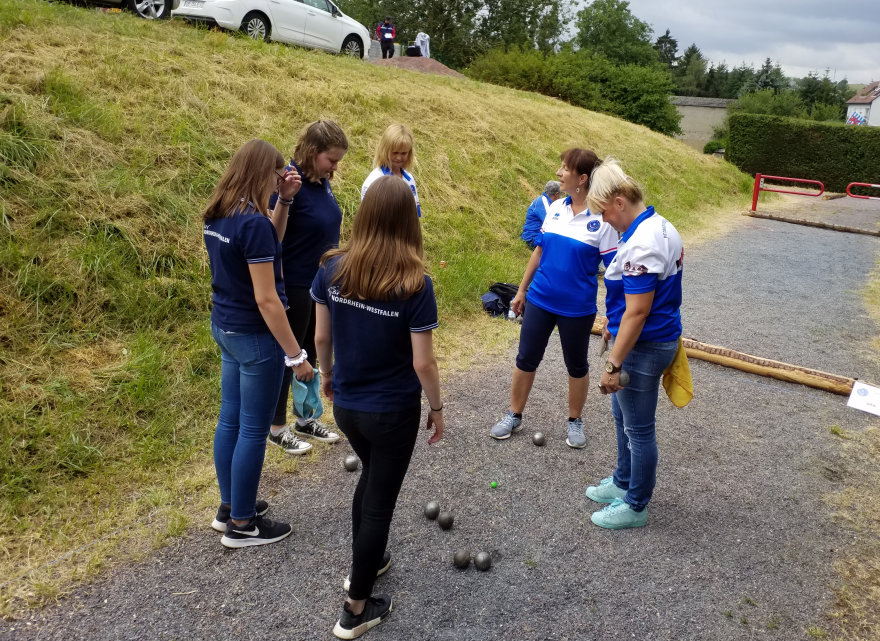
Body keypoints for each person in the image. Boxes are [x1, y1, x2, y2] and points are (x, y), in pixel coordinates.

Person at [312, 176, 444, 639]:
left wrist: (326, 375)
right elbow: (423, 363)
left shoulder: (332, 268)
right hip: (392, 413)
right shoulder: (415, 284)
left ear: (364, 215)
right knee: (379, 504)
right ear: (410, 222)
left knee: (370, 479)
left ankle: (366, 564)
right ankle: (355, 608)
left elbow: (321, 337)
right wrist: (438, 407)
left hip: (347, 406)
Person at [202, 139, 315, 548]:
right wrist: (296, 355)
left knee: (230, 420)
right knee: (253, 428)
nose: (278, 180)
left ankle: (230, 507)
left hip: (226, 328)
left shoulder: (221, 214)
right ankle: (244, 525)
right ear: (261, 172)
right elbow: (268, 300)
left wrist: (284, 201)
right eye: (276, 174)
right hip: (255, 337)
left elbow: (270, 244)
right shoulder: (253, 224)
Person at [490, 149, 617, 448]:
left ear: (582, 178)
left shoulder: (602, 219)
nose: (558, 173)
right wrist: (522, 290)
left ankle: (575, 421)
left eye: (564, 168)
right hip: (540, 300)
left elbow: (613, 272)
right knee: (526, 358)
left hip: (577, 308)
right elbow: (539, 251)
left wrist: (614, 314)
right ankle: (514, 415)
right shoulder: (556, 207)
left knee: (577, 365)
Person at [585, 158, 683, 530]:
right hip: (648, 340)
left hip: (644, 345)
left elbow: (638, 312)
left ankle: (636, 505)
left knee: (639, 429)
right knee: (623, 417)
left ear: (620, 201)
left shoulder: (643, 242)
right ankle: (623, 481)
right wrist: (614, 324)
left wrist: (613, 364)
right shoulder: (659, 225)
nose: (604, 220)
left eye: (604, 212)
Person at [269, 120, 348, 454]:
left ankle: (306, 418)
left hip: (320, 285)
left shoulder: (320, 182)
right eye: (332, 159)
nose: (335, 167)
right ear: (313, 152)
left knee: (312, 352)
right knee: (290, 358)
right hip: (295, 285)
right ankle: (277, 427)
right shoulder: (289, 183)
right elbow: (272, 236)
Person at [360, 123, 421, 217]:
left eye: (404, 153)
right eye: (395, 153)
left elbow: (415, 214)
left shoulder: (409, 179)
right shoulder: (375, 180)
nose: (399, 157)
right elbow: (368, 217)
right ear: (384, 150)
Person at [521, 180, 561, 249]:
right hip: (532, 238)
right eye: (560, 194)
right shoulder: (543, 202)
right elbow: (551, 222)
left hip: (536, 236)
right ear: (556, 194)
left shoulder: (545, 200)